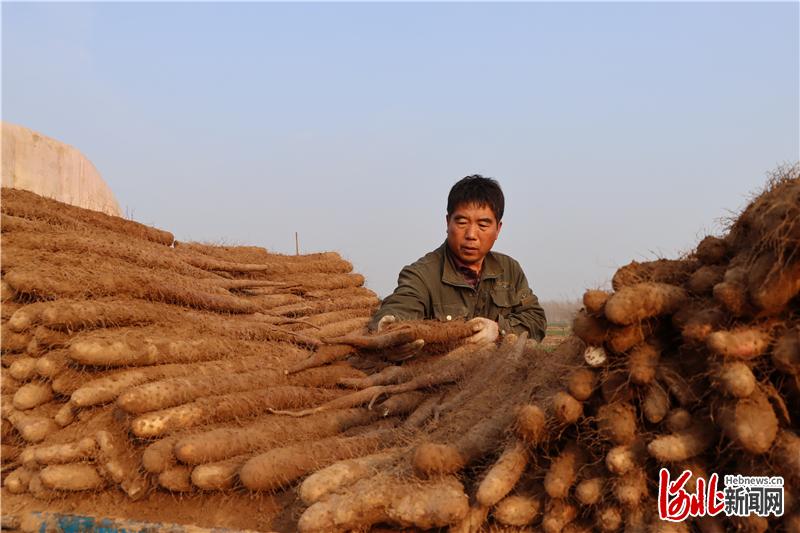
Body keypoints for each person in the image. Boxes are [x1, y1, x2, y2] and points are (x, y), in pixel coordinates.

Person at [369, 174, 547, 347]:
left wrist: (499, 330)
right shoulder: (422, 274)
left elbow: (535, 319)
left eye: (483, 225)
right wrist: (391, 332)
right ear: (448, 222)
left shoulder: (509, 270)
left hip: (498, 372)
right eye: (462, 222)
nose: (471, 235)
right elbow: (400, 307)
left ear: (498, 229)